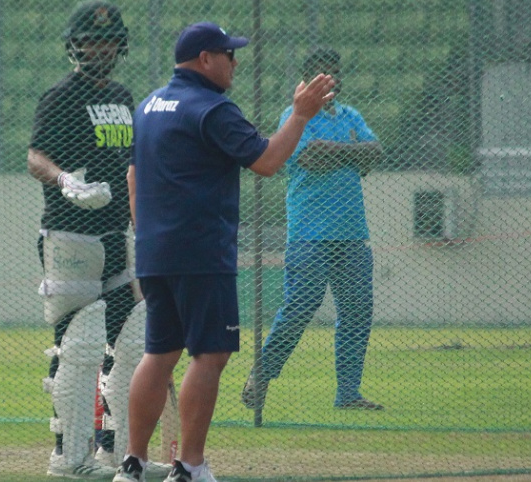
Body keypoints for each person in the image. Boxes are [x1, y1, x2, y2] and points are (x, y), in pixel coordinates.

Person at [113, 22, 336, 482]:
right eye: (228, 54)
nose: (235, 62)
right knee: (209, 355)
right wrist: (299, 115)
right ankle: (189, 466)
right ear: (205, 59)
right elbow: (267, 161)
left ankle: (132, 464)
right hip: (200, 253)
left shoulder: (149, 106)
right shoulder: (213, 108)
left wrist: (148, 236)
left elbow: (133, 177)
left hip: (154, 251)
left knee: (159, 353)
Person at [27, 2, 170, 479]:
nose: (100, 49)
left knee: (132, 341)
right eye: (90, 41)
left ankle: (123, 454)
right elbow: (35, 157)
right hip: (70, 235)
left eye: (107, 41)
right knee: (80, 342)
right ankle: (69, 459)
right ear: (75, 45)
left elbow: (134, 163)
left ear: (120, 46)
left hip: (116, 235)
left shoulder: (125, 97)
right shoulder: (60, 96)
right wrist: (65, 180)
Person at [241, 47, 385, 412]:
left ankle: (348, 393)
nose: (329, 80)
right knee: (301, 305)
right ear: (307, 81)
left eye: (333, 73)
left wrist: (334, 150)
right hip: (309, 232)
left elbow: (375, 151)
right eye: (321, 74)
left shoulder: (351, 115)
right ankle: (263, 372)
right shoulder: (296, 116)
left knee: (357, 311)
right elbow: (309, 156)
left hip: (351, 232)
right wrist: (351, 151)